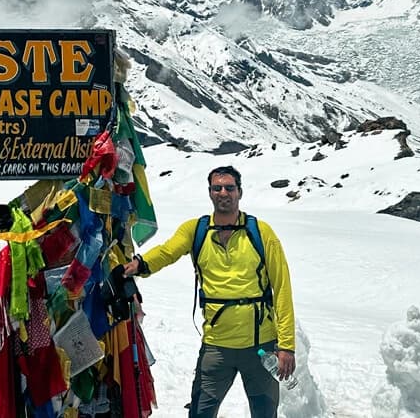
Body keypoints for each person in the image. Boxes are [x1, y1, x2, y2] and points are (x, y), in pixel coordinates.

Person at [123, 165, 295, 417]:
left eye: (229, 187)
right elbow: (168, 251)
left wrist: (287, 346)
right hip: (216, 346)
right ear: (210, 193)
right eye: (217, 188)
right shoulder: (196, 230)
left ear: (240, 192)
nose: (223, 192)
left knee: (265, 413)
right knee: (201, 412)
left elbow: (282, 288)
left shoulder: (260, 232)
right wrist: (139, 265)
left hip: (261, 347)